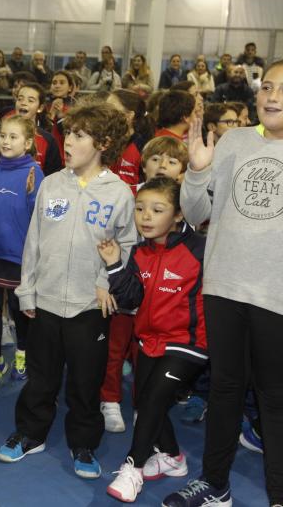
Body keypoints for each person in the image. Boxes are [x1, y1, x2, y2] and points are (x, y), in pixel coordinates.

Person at [162, 60, 283, 507]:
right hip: (224, 287)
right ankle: (215, 484)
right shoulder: (233, 141)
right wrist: (196, 172)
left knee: (275, 398)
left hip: (276, 296)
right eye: (267, 86)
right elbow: (194, 215)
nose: (271, 95)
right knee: (225, 388)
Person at [0, 102, 137, 481]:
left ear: (103, 143)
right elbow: (34, 242)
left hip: (90, 308)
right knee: (40, 376)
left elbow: (126, 246)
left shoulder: (119, 193)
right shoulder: (52, 183)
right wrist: (27, 292)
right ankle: (30, 433)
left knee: (85, 381)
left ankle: (83, 442)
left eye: (78, 135)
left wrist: (107, 284)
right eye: (68, 134)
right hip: (44, 302)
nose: (67, 142)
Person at [100, 176, 207, 503]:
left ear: (178, 215)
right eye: (140, 208)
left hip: (188, 344)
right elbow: (130, 300)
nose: (145, 216)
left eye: (157, 209)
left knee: (153, 400)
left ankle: (132, 467)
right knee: (147, 402)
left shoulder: (200, 249)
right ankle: (173, 458)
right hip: (148, 341)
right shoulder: (139, 253)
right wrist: (115, 265)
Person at [0, 115, 43, 389]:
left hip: (19, 257)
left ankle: (22, 355)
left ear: (27, 143)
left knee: (18, 310)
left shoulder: (33, 173)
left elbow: (39, 218)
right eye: (2, 136)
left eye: (13, 137)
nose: (5, 141)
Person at [107, 88, 154, 193]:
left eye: (111, 109)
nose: (105, 113)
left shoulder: (143, 146)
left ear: (129, 115)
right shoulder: (107, 140)